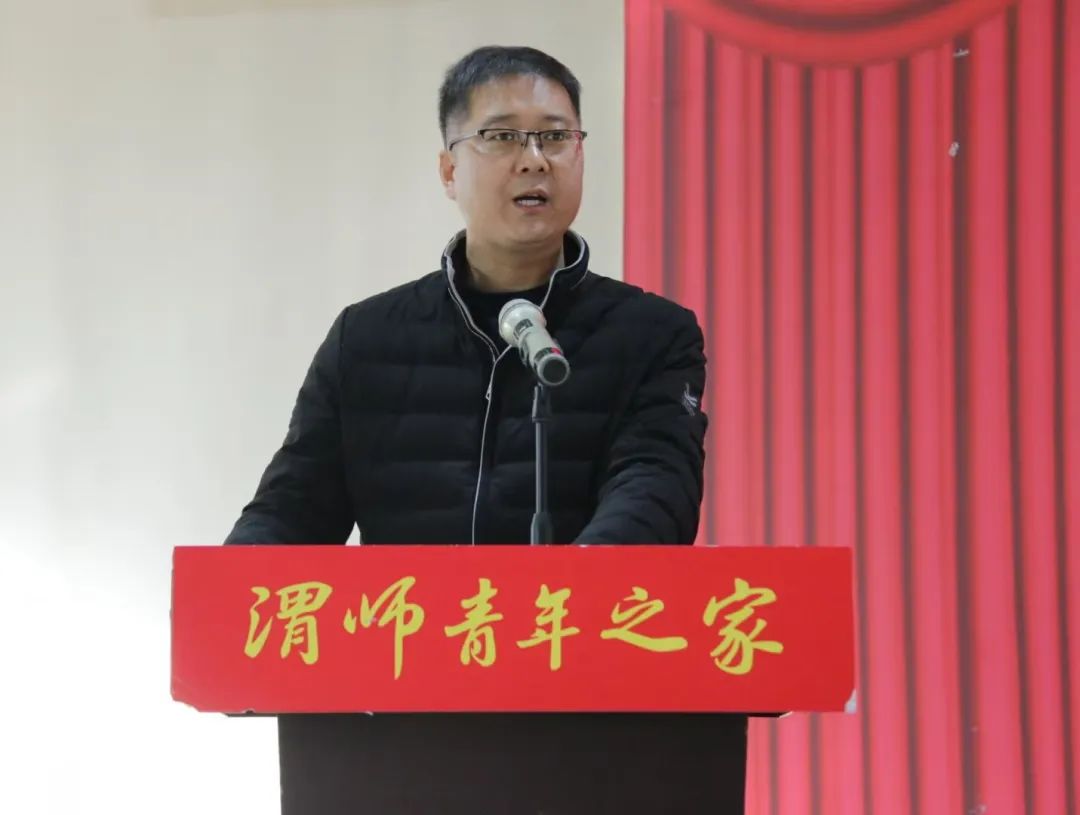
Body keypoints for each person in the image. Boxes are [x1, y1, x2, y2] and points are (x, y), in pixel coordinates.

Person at [225, 46, 730, 815]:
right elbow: (294, 506)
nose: (534, 158)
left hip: (585, 736)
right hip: (387, 738)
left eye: (555, 135)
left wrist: (556, 609)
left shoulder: (653, 335)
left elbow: (654, 492)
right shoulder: (367, 338)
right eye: (501, 136)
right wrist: (227, 599)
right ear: (449, 170)